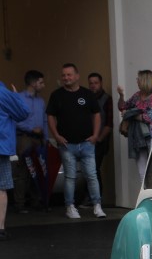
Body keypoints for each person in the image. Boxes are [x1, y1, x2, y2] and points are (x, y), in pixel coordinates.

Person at [46, 63, 105, 219]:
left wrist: (95, 135)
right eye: (63, 75)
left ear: (77, 76)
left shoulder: (87, 94)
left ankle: (97, 206)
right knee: (70, 177)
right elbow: (50, 116)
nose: (66, 78)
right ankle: (70, 207)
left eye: (69, 74)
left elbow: (96, 114)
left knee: (91, 175)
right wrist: (56, 135)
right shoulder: (56, 95)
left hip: (87, 143)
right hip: (67, 145)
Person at [118, 69, 152, 180]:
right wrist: (121, 95)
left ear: (144, 81)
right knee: (141, 169)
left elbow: (148, 117)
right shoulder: (137, 96)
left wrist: (130, 114)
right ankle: (145, 192)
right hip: (138, 137)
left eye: (138, 79)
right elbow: (122, 107)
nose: (136, 81)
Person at [13, 70, 48, 213]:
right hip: (24, 138)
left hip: (38, 140)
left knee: (39, 170)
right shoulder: (18, 98)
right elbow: (13, 120)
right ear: (33, 83)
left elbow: (45, 120)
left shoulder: (41, 101)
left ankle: (36, 201)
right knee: (23, 171)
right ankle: (19, 204)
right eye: (41, 82)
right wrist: (31, 129)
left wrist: (45, 138)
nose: (43, 85)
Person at [0, 82, 30, 240]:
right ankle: (0, 228)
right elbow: (23, 113)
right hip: (1, 146)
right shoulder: (3, 93)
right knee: (1, 188)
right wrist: (16, 96)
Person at [83, 72, 113, 203]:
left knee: (93, 169)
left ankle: (95, 198)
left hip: (99, 141)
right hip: (86, 140)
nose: (93, 85)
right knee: (86, 169)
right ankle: (88, 197)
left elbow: (109, 123)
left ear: (101, 83)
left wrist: (99, 138)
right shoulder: (86, 98)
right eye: (91, 83)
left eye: (96, 83)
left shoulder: (107, 99)